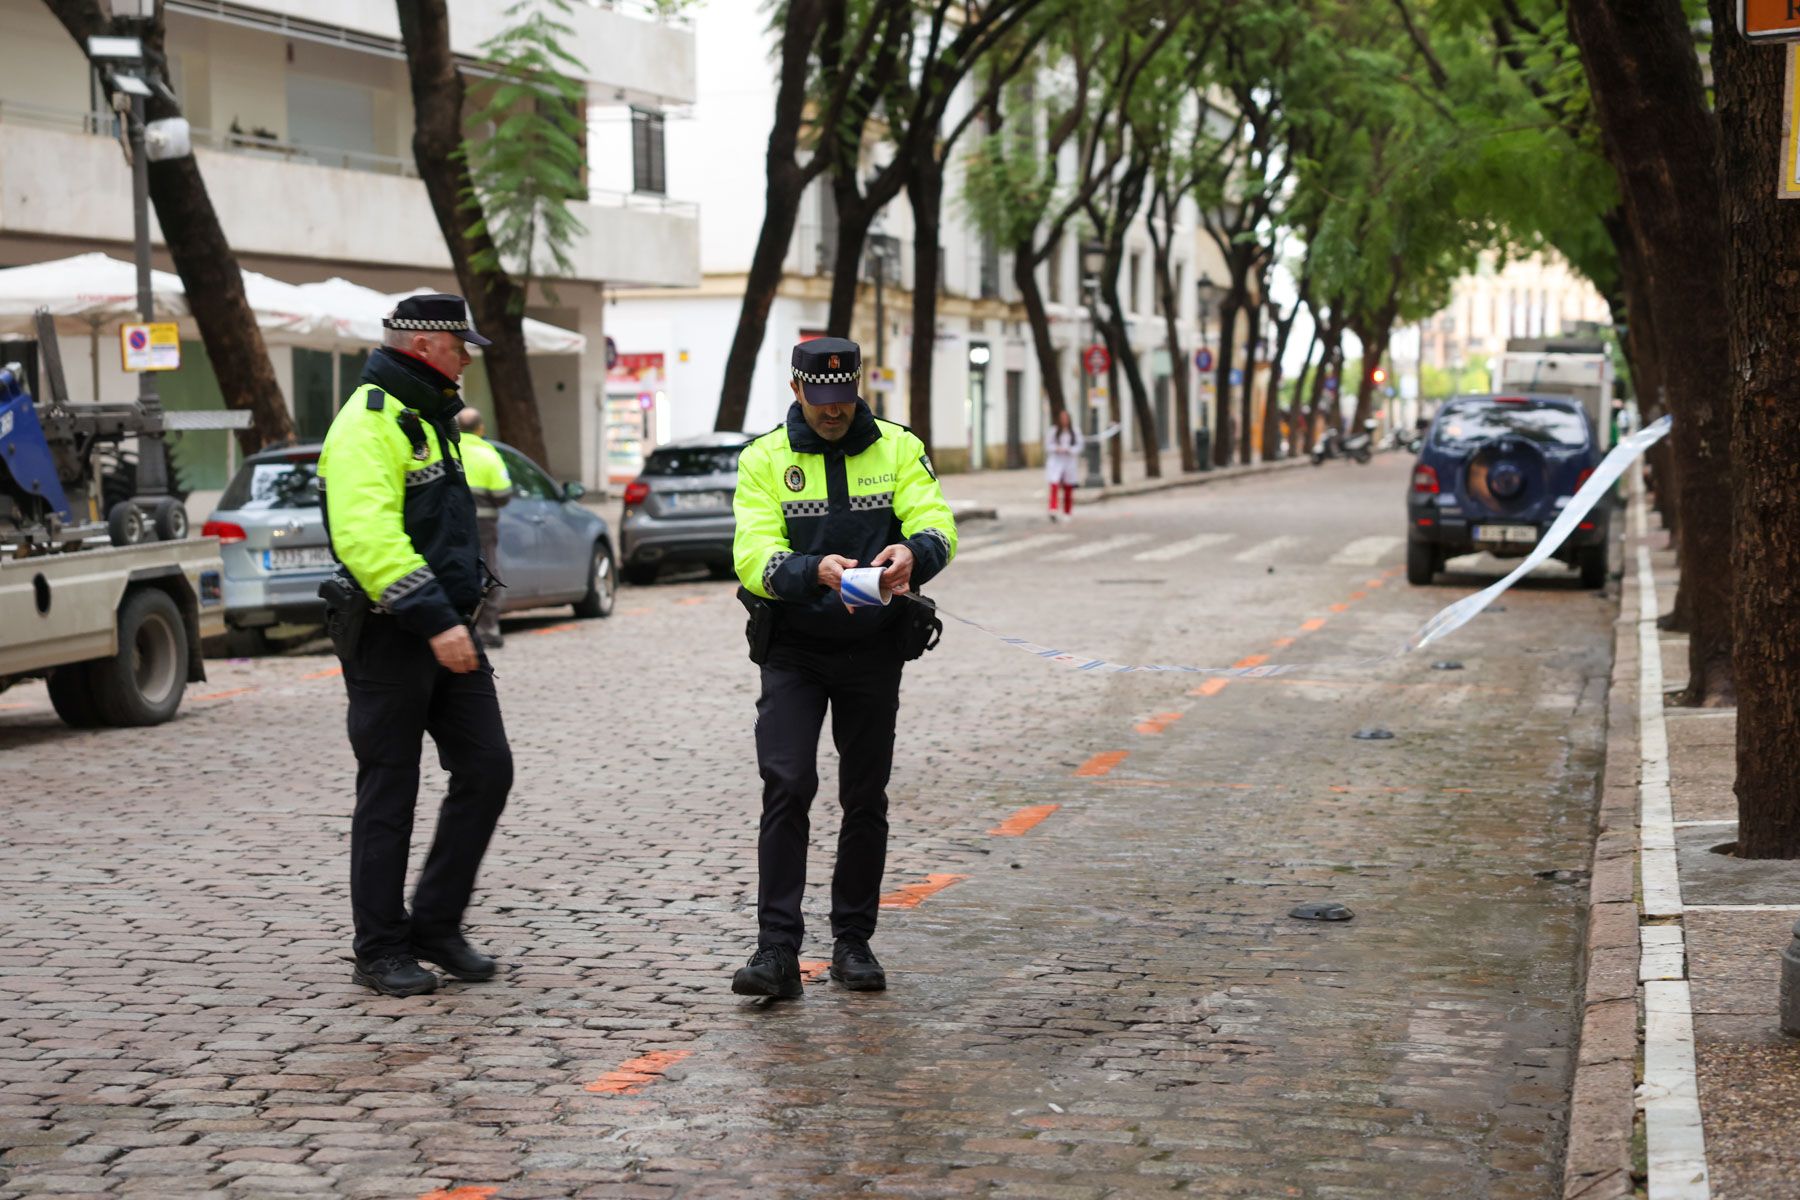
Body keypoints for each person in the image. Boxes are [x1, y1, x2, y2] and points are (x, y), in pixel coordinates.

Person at [728, 336, 957, 999]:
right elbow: (752, 553)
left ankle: (853, 943)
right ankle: (776, 950)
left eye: (844, 397)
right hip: (794, 650)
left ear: (859, 387)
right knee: (787, 783)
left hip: (873, 650)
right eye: (820, 398)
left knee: (864, 795)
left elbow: (936, 521)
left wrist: (914, 554)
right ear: (796, 390)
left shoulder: (898, 447)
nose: (833, 411)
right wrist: (812, 571)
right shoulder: (764, 457)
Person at [316, 293, 512, 998]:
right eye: (460, 347)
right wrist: (436, 620)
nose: (466, 360)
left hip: (446, 627)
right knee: (389, 788)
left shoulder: (428, 416)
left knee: (487, 768)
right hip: (392, 633)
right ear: (426, 344)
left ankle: (435, 924)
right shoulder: (369, 420)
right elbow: (366, 536)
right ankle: (379, 948)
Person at [455, 408, 513, 649]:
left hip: (452, 523)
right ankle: (487, 629)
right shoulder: (488, 454)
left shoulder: (449, 448)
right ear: (481, 428)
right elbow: (503, 494)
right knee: (489, 573)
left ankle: (457, 628)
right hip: (483, 525)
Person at [1044, 408, 1084, 522]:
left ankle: (1067, 512)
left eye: (1066, 418)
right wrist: (1057, 448)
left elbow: (1079, 446)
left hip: (1069, 461)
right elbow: (1048, 446)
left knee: (1068, 488)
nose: (1064, 420)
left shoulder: (1075, 431)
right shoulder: (1054, 431)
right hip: (1056, 461)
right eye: (1062, 418)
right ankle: (1053, 509)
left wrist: (1070, 450)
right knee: (1054, 485)